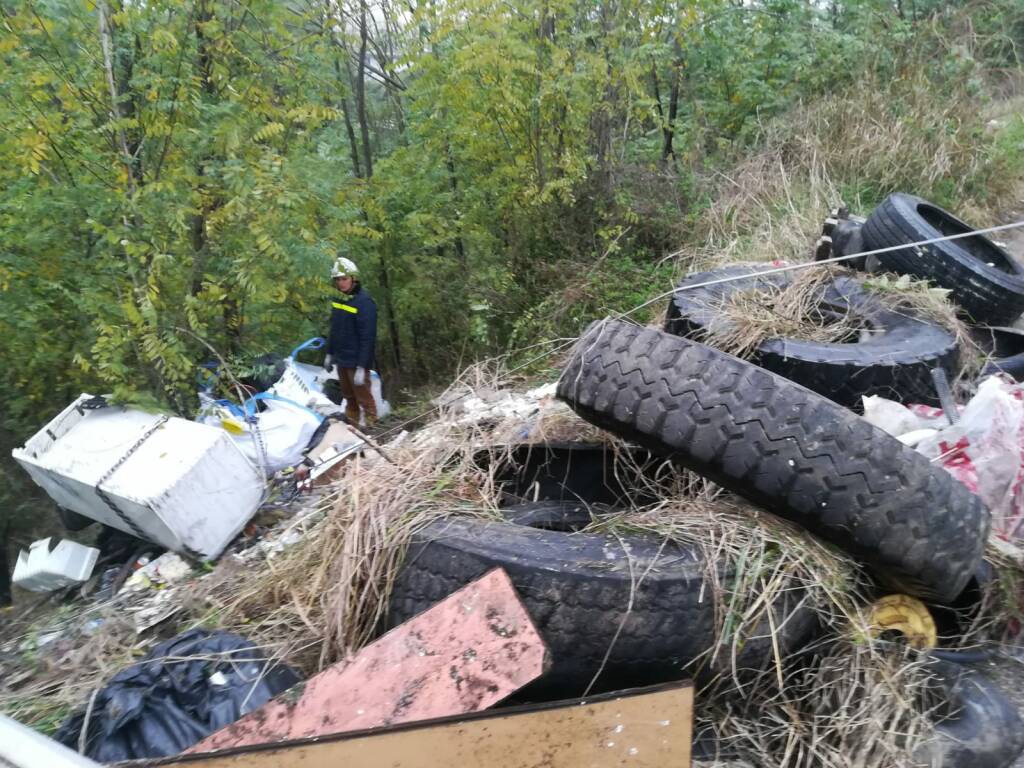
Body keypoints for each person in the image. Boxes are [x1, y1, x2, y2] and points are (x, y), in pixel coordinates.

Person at [324, 255, 379, 425]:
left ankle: (373, 429)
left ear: (354, 279)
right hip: (342, 358)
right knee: (348, 397)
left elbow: (368, 337)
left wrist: (362, 366)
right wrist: (329, 353)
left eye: (344, 279)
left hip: (356, 360)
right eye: (338, 279)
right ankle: (352, 429)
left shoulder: (364, 302)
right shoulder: (339, 299)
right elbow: (335, 328)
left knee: (364, 397)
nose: (341, 283)